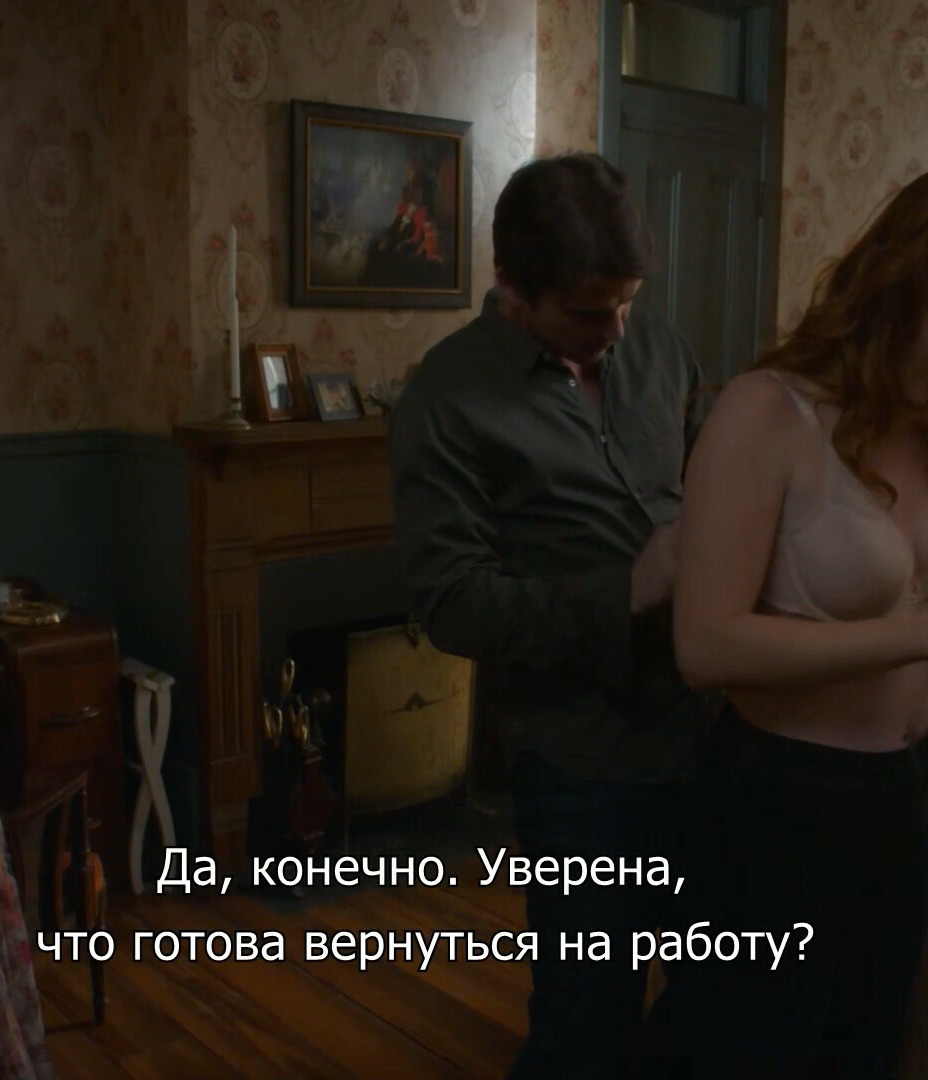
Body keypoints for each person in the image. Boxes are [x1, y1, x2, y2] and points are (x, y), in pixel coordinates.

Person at [641, 161, 928, 1079]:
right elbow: (706, 645)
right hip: (775, 803)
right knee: (740, 1057)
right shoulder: (766, 412)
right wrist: (923, 638)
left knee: (863, 1051)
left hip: (903, 796)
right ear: (903, 288)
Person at [389, 153, 715, 1080]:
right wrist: (628, 591)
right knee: (584, 1026)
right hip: (578, 761)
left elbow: (719, 483)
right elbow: (453, 605)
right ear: (510, 284)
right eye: (585, 312)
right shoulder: (445, 396)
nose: (616, 332)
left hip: (711, 731)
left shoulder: (660, 349)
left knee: (720, 995)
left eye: (628, 303)